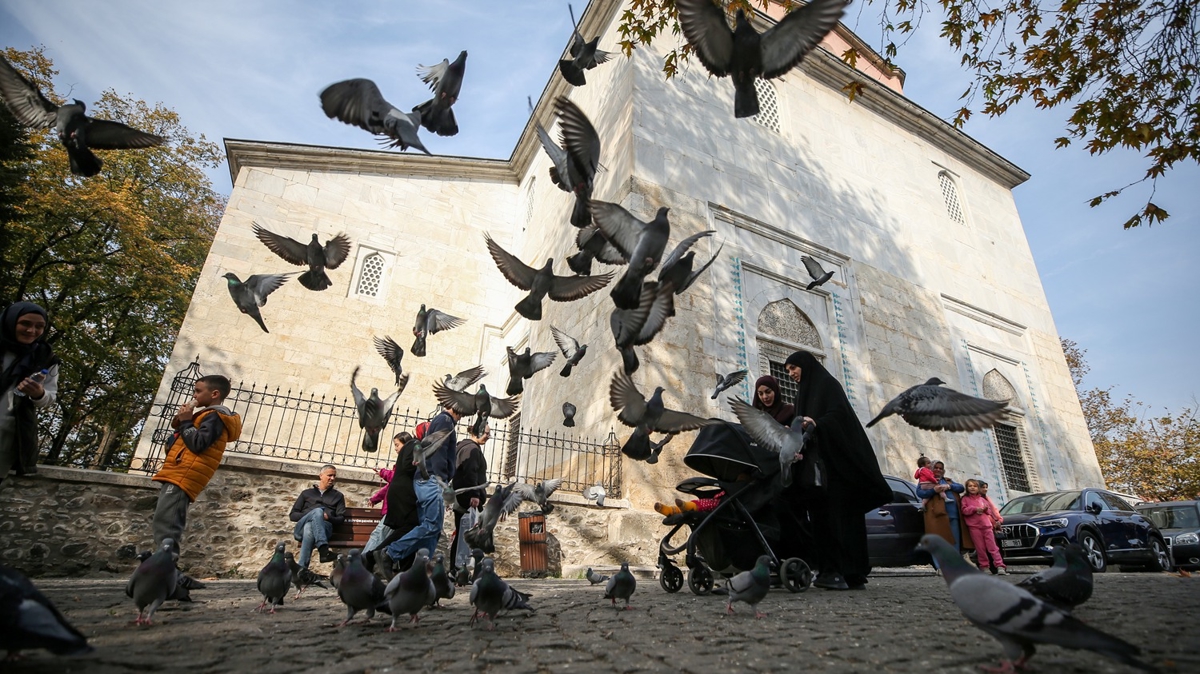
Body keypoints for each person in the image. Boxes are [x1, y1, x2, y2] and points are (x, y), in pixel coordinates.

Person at [780, 350, 892, 591]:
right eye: (787, 370)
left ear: (805, 365)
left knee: (842, 521)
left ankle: (849, 573)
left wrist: (818, 424)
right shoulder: (802, 394)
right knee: (822, 522)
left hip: (837, 471)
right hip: (817, 475)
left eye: (793, 368)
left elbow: (840, 415)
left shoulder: (827, 385)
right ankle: (831, 572)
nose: (790, 374)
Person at [150, 374, 242, 555]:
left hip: (184, 473)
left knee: (167, 522)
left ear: (214, 394)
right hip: (179, 472)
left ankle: (166, 565)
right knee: (165, 520)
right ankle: (164, 565)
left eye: (198, 391)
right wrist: (183, 420)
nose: (194, 395)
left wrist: (186, 421)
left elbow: (198, 443)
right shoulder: (206, 415)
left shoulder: (215, 416)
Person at [382, 405, 461, 570]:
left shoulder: (443, 421)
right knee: (432, 526)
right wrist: (441, 480)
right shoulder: (445, 420)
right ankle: (390, 553)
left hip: (426, 480)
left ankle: (420, 569)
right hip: (432, 480)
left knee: (432, 530)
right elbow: (439, 451)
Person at [0, 302, 61, 491]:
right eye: (25, 324)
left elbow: (49, 397)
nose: (31, 331)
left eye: (39, 326)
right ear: (11, 322)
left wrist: (38, 393)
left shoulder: (45, 358)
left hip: (6, 436)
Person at [362, 432, 413, 558]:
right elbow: (391, 487)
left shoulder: (408, 462)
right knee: (386, 538)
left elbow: (397, 479)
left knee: (378, 535)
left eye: (397, 445)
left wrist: (383, 472)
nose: (395, 448)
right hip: (396, 508)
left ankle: (362, 561)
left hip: (396, 509)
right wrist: (375, 498)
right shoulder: (403, 461)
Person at [916, 460, 972, 572]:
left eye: (940, 468)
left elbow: (960, 488)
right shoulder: (925, 481)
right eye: (935, 467)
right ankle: (940, 567)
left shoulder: (948, 481)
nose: (938, 470)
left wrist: (949, 487)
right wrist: (934, 490)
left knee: (954, 541)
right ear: (931, 469)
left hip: (953, 515)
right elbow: (920, 493)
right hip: (935, 517)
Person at [449, 424, 490, 571]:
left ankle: (458, 569)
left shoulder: (466, 447)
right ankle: (458, 569)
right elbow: (470, 472)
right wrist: (475, 494)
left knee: (464, 535)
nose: (488, 436)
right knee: (466, 536)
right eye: (486, 433)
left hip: (464, 498)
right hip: (468, 500)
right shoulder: (471, 449)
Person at [288, 465, 345, 568]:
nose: (332, 478)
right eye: (329, 475)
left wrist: (329, 518)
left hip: (325, 529)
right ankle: (323, 550)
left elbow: (341, 518)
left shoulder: (338, 496)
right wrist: (313, 514)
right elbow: (293, 515)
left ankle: (302, 569)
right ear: (321, 476)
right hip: (300, 530)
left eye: (334, 476)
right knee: (317, 511)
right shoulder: (306, 493)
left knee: (309, 528)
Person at [961, 479, 1007, 574]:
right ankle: (984, 566)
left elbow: (990, 511)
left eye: (975, 486)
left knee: (993, 547)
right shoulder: (965, 499)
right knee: (980, 548)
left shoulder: (982, 499)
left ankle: (1000, 565)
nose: (972, 488)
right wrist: (974, 509)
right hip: (974, 527)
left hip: (987, 526)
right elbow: (964, 510)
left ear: (978, 488)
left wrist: (985, 509)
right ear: (967, 488)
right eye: (970, 486)